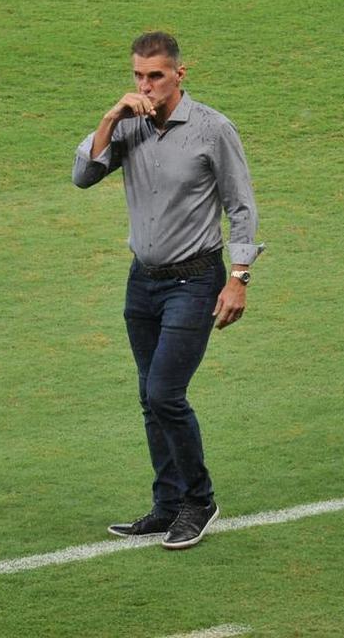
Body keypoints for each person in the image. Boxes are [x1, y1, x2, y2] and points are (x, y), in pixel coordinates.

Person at [73, 31, 263, 549]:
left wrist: (239, 279)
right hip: (143, 282)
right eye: (138, 75)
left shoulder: (212, 129)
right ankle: (166, 504)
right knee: (147, 396)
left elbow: (241, 206)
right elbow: (82, 175)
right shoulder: (129, 126)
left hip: (194, 280)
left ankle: (199, 501)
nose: (146, 85)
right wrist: (112, 118)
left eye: (155, 75)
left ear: (181, 73)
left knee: (165, 393)